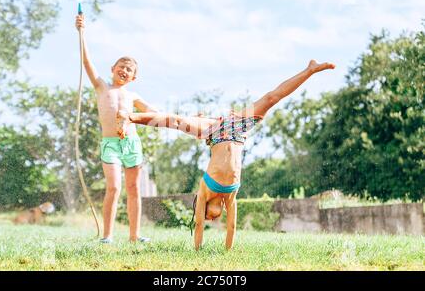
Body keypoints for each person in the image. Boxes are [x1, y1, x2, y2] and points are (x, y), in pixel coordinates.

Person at [117, 60, 335, 250]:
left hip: (212, 129)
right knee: (270, 99)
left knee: (176, 121)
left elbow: (199, 226)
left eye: (209, 217)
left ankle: (130, 117)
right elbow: (231, 227)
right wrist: (228, 251)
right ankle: (311, 70)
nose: (213, 218)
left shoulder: (204, 192)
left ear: (201, 211)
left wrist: (198, 249)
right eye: (215, 217)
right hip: (236, 129)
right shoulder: (230, 198)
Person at [75, 14, 157, 243]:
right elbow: (86, 63)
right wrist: (82, 32)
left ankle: (134, 235)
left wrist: (184, 119)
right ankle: (107, 236)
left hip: (132, 143)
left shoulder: (133, 95)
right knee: (114, 187)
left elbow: (155, 113)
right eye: (121, 66)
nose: (124, 70)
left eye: (129, 69)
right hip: (110, 144)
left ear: (134, 77)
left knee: (134, 188)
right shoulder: (102, 87)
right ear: (113, 68)